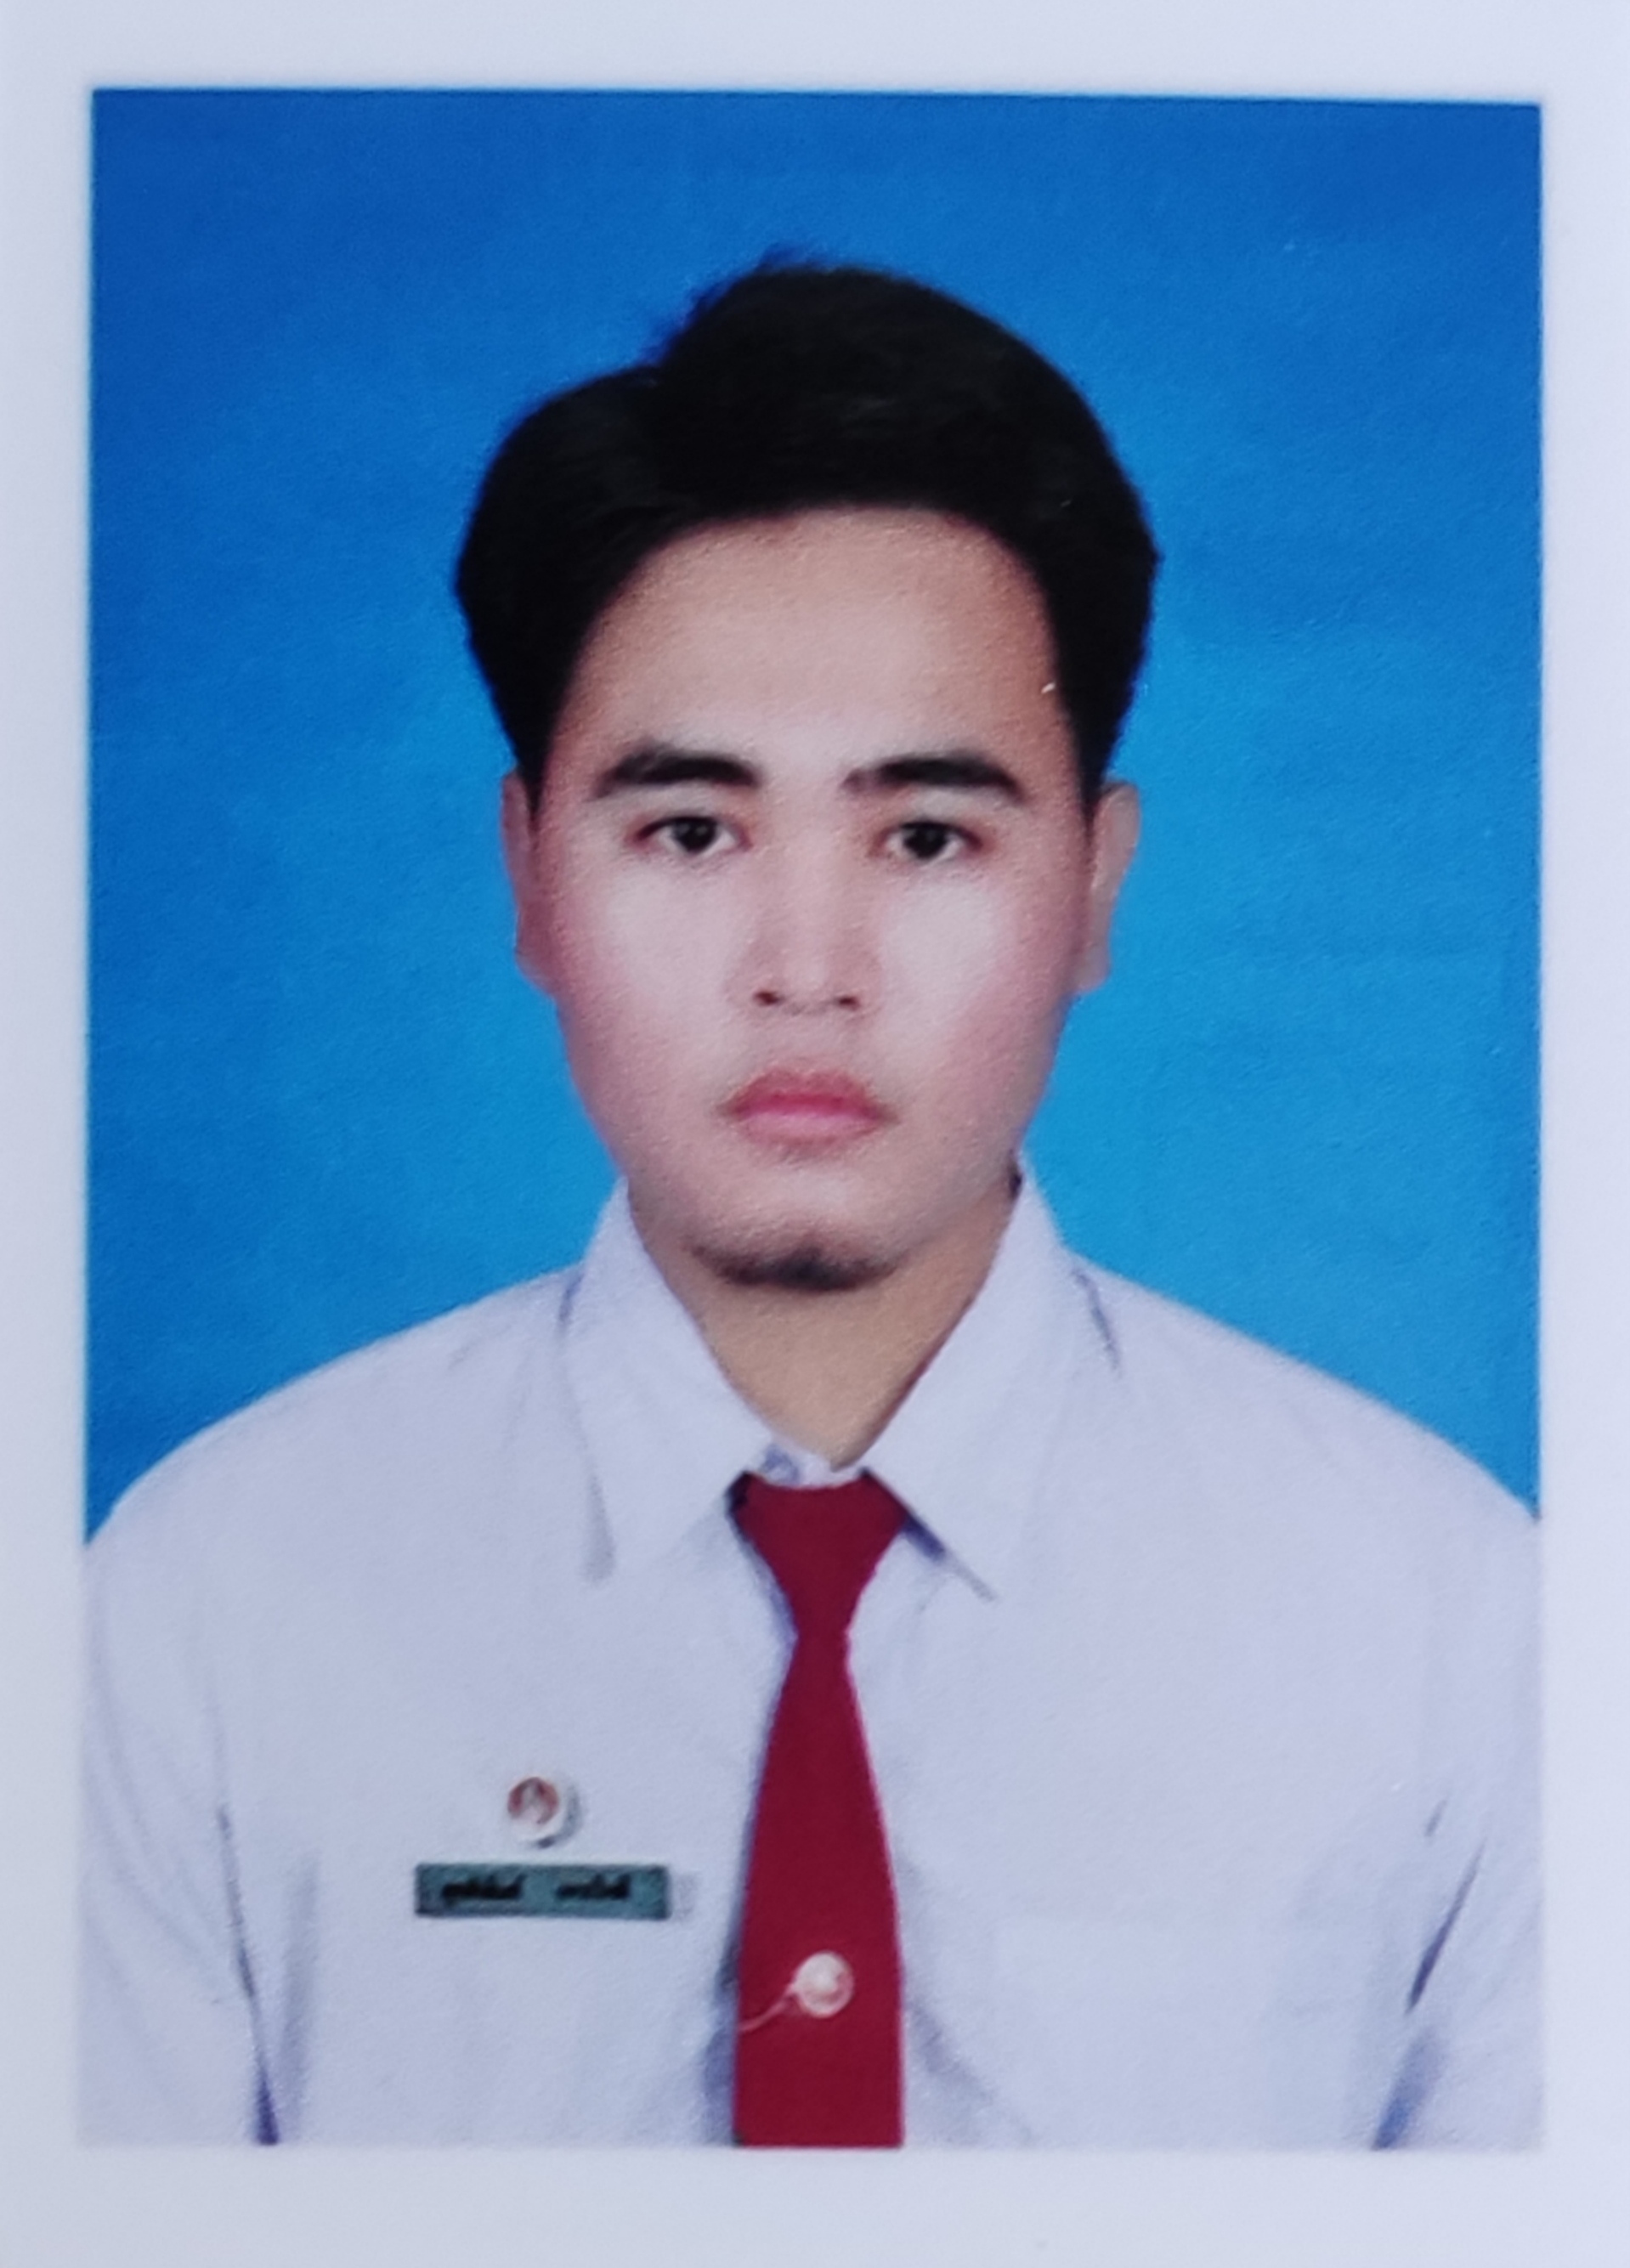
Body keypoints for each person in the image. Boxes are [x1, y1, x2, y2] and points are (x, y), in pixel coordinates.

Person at [81, 262, 1537, 2148]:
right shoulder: (200, 1608)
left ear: (1095, 885)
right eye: (689, 829)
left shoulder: (1446, 1624)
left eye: (925, 835)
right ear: (527, 877)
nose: (806, 968)